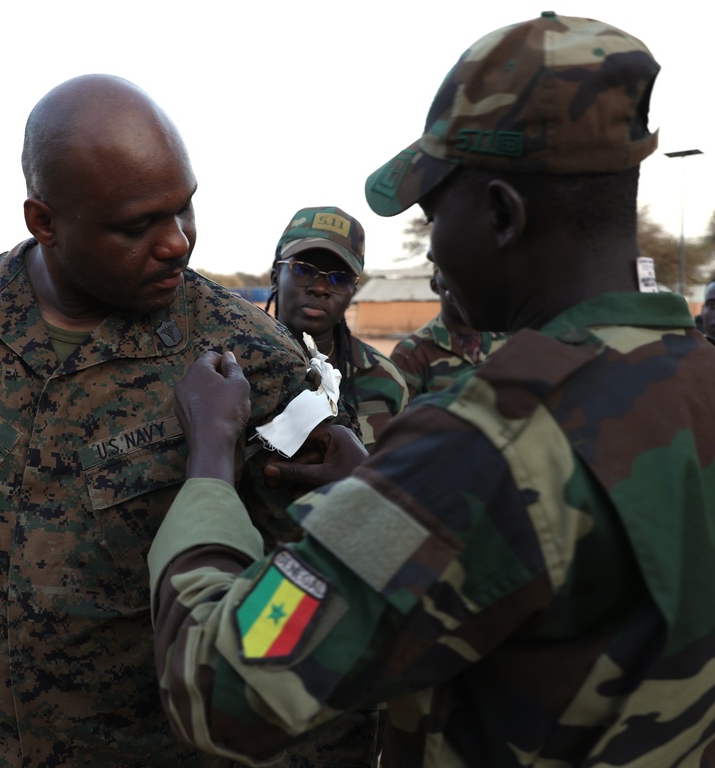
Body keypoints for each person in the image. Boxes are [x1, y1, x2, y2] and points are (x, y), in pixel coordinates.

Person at [149, 12, 715, 767]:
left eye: (430, 211)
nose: (434, 243)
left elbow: (221, 684)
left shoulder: (485, 446)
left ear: (500, 215)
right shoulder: (691, 378)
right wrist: (379, 498)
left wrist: (211, 467)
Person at [0, 74, 378, 767]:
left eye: (184, 209)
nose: (176, 243)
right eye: (138, 225)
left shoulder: (249, 360)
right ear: (44, 221)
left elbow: (311, 605)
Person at [267, 206, 408, 448]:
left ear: (353, 292)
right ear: (274, 277)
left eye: (339, 278)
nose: (320, 287)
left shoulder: (383, 377)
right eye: (303, 269)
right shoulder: (233, 366)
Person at [389, 267, 508, 399]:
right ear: (435, 285)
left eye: (474, 281)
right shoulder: (411, 354)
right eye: (455, 280)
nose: (466, 291)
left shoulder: (508, 344)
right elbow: (398, 416)